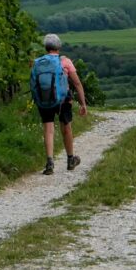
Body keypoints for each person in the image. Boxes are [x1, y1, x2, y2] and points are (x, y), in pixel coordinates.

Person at [35, 33, 87, 175]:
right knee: (66, 128)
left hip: (45, 99)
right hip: (64, 100)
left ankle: (49, 162)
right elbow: (77, 83)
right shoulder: (65, 61)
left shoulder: (38, 63)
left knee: (48, 129)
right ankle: (70, 159)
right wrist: (83, 103)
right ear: (59, 47)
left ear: (46, 47)